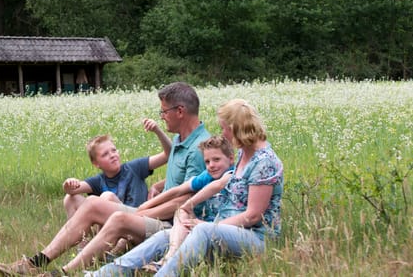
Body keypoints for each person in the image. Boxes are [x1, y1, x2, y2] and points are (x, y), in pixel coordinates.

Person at [0, 82, 210, 276]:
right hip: (158, 214)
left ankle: (62, 273)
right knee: (93, 202)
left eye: (164, 112)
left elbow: (186, 201)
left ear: (180, 111)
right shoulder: (181, 140)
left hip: (174, 227)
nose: (161, 116)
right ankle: (36, 263)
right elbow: (182, 182)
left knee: (117, 216)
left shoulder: (199, 148)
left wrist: (144, 210)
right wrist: (160, 185)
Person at [87, 98, 284, 277]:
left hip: (256, 237)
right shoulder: (244, 152)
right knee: (166, 236)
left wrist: (209, 226)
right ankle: (102, 274)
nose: (222, 133)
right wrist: (193, 211)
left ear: (236, 128)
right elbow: (218, 185)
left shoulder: (264, 162)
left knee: (202, 231)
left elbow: (252, 216)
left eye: (224, 128)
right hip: (225, 228)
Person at [139, 135, 234, 273]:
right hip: (201, 224)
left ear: (231, 159)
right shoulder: (207, 175)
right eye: (207, 162)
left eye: (216, 159)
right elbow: (178, 189)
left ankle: (169, 259)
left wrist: (189, 203)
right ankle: (170, 255)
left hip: (221, 230)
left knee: (184, 210)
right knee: (180, 211)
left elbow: (216, 186)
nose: (211, 165)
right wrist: (145, 206)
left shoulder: (233, 174)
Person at [63, 119, 173, 220]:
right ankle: (82, 240)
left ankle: (102, 240)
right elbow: (72, 190)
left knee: (107, 196)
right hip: (113, 222)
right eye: (105, 154)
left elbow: (169, 155)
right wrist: (69, 184)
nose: (112, 155)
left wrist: (157, 131)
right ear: (96, 164)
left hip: (137, 217)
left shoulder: (134, 167)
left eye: (114, 150)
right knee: (70, 198)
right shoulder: (99, 181)